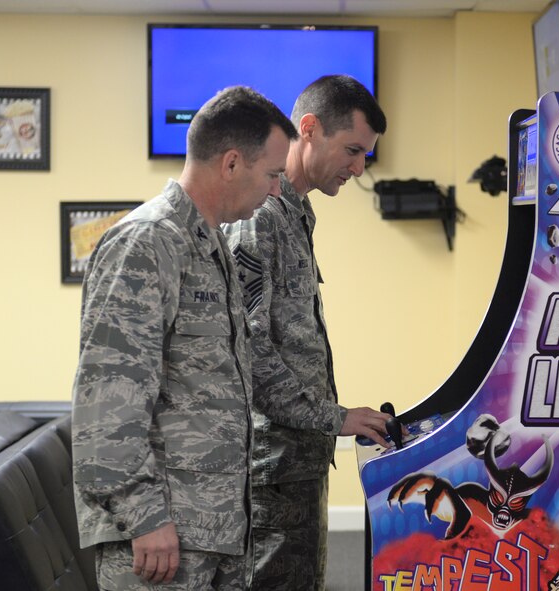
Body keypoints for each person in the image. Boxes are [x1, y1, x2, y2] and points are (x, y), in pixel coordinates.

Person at [71, 86, 298, 590]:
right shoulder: (148, 241)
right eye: (273, 175)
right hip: (160, 539)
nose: (277, 191)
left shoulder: (208, 243)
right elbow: (108, 400)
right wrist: (145, 516)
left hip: (213, 530)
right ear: (233, 163)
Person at [222, 75, 390, 590]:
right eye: (353, 150)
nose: (360, 168)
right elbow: (248, 346)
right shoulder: (259, 219)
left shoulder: (297, 212)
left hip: (298, 459)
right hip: (270, 467)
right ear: (310, 129)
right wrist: (333, 417)